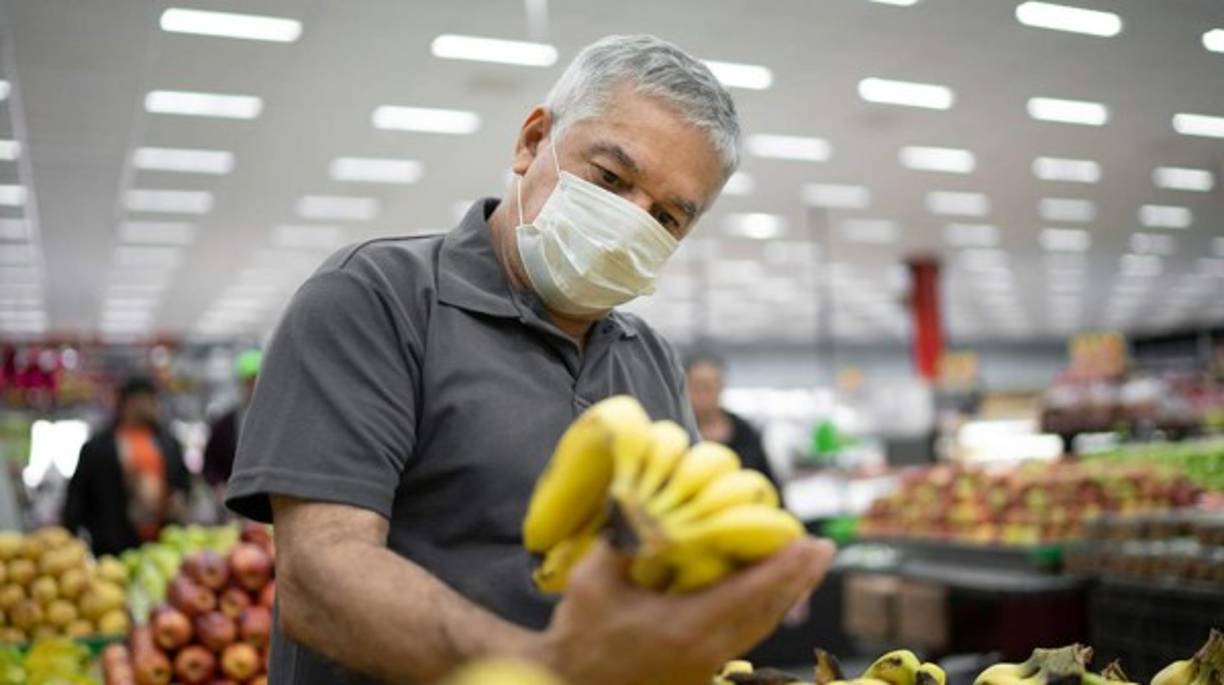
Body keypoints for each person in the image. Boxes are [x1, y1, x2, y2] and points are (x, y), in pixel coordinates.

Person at [226, 34, 835, 685]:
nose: (629, 225)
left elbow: (671, 569)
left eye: (667, 217)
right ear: (532, 140)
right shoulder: (375, 298)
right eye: (610, 179)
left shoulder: (651, 360)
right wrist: (548, 669)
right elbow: (322, 579)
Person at [63, 376, 189, 556]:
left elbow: (182, 481)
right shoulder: (99, 446)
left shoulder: (167, 443)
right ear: (129, 402)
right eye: (147, 399)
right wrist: (73, 537)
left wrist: (179, 498)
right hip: (111, 545)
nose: (153, 406)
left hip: (162, 544)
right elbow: (77, 496)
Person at [685, 352, 780, 490]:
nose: (704, 395)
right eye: (698, 387)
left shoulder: (746, 435)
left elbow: (769, 485)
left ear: (722, 387)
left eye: (710, 387)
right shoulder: (676, 435)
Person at [202, 349, 261, 490]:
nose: (254, 386)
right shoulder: (225, 425)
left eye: (257, 380)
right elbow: (210, 464)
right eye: (249, 381)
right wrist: (219, 487)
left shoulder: (280, 422)